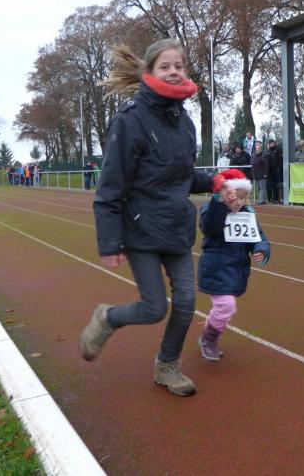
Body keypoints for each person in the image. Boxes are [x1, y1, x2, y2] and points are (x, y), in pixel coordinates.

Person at [80, 38, 213, 397]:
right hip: (140, 229)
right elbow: (110, 186)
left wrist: (217, 182)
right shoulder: (130, 121)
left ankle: (167, 366)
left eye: (179, 66)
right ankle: (108, 317)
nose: (174, 72)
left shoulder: (185, 122)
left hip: (176, 228)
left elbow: (183, 176)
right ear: (149, 71)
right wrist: (109, 242)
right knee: (154, 308)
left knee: (186, 303)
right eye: (165, 66)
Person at [197, 169, 270, 361]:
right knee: (226, 306)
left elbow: (258, 237)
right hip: (215, 268)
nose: (238, 202)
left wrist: (261, 249)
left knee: (225, 307)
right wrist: (219, 204)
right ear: (224, 194)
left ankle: (210, 331)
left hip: (236, 270)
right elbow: (210, 228)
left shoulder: (247, 215)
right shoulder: (210, 210)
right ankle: (208, 339)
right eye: (234, 197)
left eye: (243, 198)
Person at [251, 140, 268, 205]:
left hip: (262, 174)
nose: (257, 149)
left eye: (258, 148)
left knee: (262, 188)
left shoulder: (264, 155)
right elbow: (252, 164)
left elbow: (267, 165)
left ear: (261, 149)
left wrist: (265, 173)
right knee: (258, 188)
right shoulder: (253, 155)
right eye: (256, 148)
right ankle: (262, 199)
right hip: (256, 174)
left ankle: (261, 200)